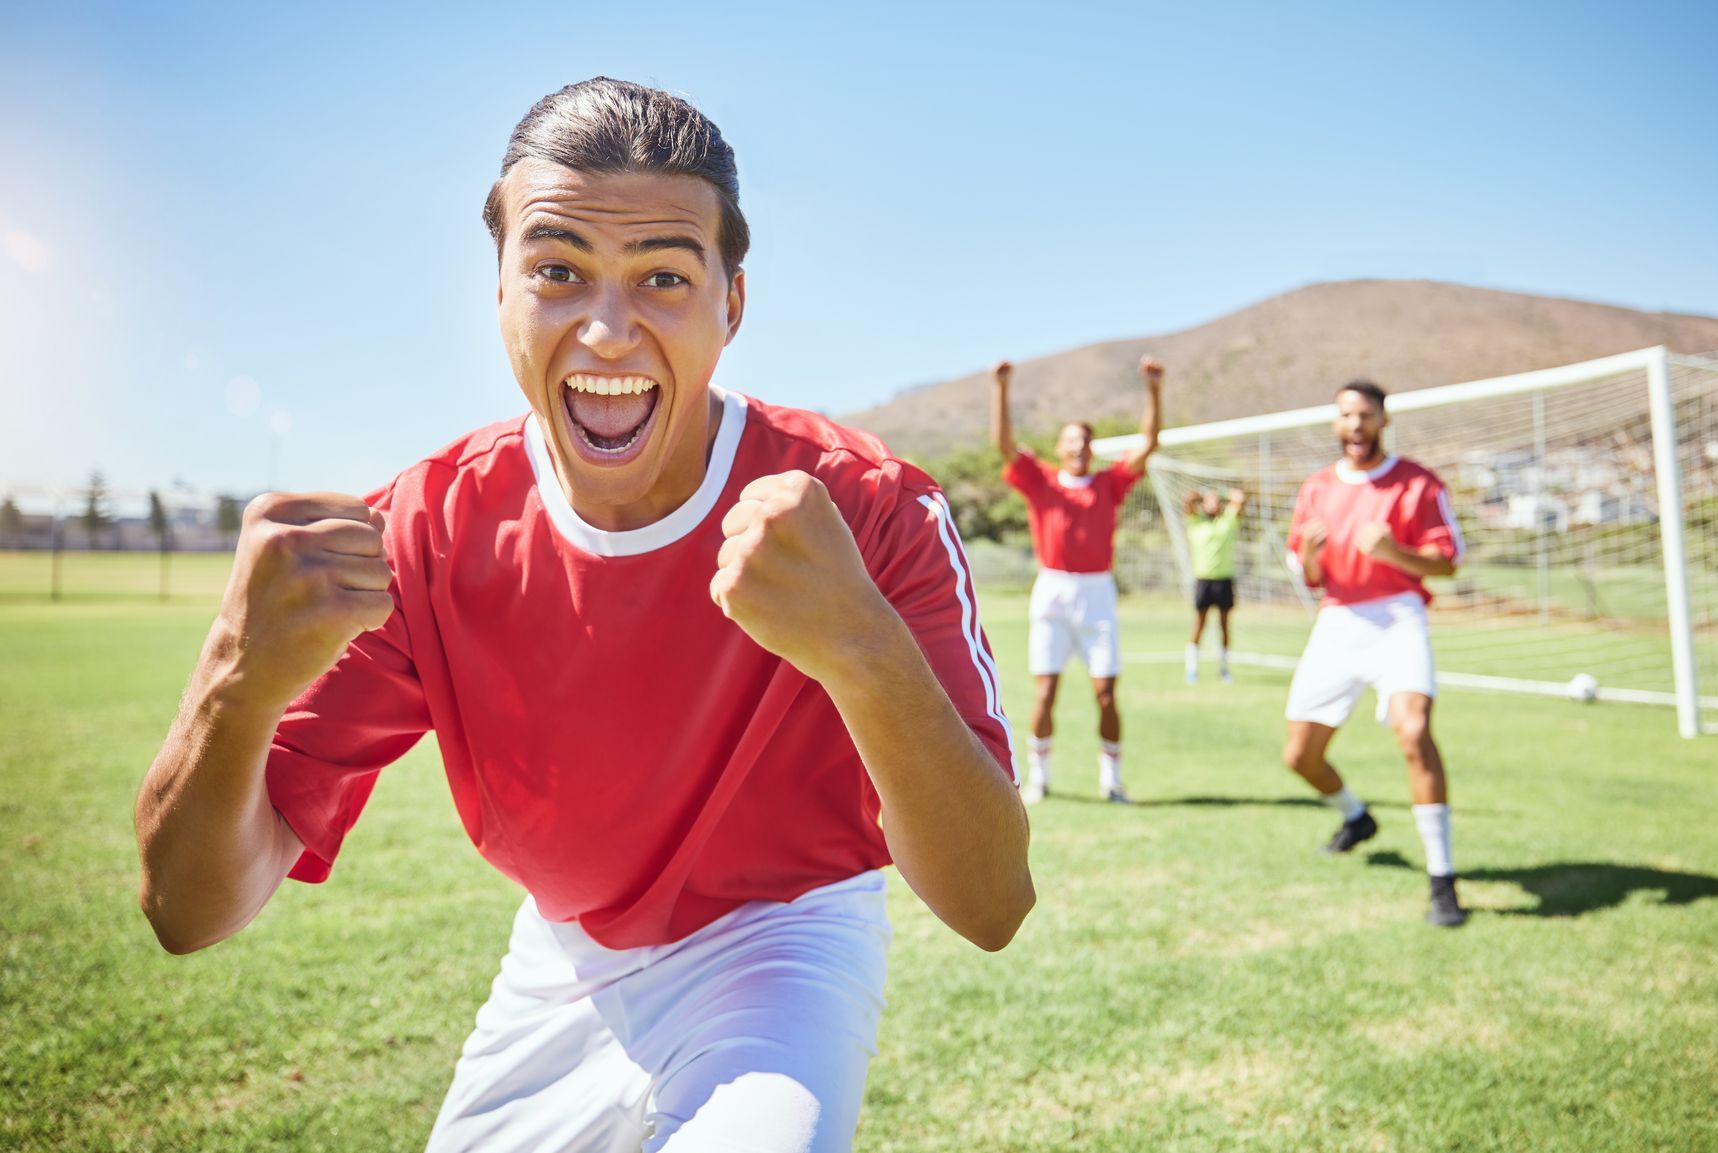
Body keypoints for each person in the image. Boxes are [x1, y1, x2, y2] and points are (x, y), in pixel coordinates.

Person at [134, 78, 1034, 1152]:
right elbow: (190, 913)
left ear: (731, 305)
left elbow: (992, 903)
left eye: (662, 277)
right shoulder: (424, 530)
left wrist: (857, 643)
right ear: (501, 291)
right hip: (562, 955)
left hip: (782, 944)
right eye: (558, 271)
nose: (609, 330)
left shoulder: (869, 507)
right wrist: (235, 678)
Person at [1283, 380, 1467, 927]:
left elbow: (1447, 562)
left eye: (1365, 414)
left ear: (1384, 421)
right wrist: (1313, 559)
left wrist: (1394, 553)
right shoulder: (1316, 488)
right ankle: (1357, 818)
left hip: (1399, 617)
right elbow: (1310, 576)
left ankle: (1443, 880)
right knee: (1300, 757)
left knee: (1413, 732)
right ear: (1335, 424)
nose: (1355, 425)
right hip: (1338, 620)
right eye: (1345, 415)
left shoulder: (1417, 483)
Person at [991, 356, 1161, 804]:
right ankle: (1039, 777)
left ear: (1093, 447)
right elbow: (1005, 445)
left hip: (1097, 593)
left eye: (1085, 440)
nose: (1079, 447)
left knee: (1106, 693)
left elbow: (1148, 443)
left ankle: (1112, 780)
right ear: (1060, 448)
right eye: (1071, 441)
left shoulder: (1109, 484)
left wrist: (1154, 391)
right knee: (1045, 692)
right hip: (1053, 591)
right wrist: (1002, 389)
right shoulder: (1041, 481)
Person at [1183, 487, 1246, 684]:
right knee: (1199, 624)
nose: (1213, 504)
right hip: (1204, 581)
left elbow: (1239, 498)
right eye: (1209, 501)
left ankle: (1224, 668)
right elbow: (1188, 499)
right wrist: (1203, 493)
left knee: (1224, 626)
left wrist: (1220, 492)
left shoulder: (1228, 521)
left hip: (1224, 580)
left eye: (1216, 501)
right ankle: (1191, 668)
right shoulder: (1196, 521)